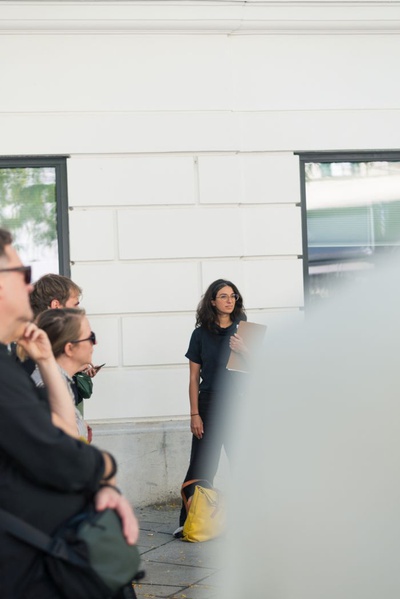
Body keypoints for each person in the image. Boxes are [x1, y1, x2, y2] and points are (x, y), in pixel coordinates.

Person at [0, 228, 138, 598]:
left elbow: (59, 433)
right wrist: (105, 468)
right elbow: (55, 453)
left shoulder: (11, 365)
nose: (30, 287)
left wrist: (46, 359)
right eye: (21, 275)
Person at [175, 278, 247, 536]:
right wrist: (194, 414)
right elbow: (194, 378)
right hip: (209, 403)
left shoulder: (244, 331)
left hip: (239, 403)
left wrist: (245, 350)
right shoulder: (200, 334)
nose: (230, 300)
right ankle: (190, 520)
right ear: (212, 302)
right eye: (223, 296)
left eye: (233, 296)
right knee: (202, 464)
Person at [31, 308, 96, 442]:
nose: (95, 343)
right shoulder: (48, 389)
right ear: (69, 348)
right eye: (91, 338)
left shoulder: (59, 381)